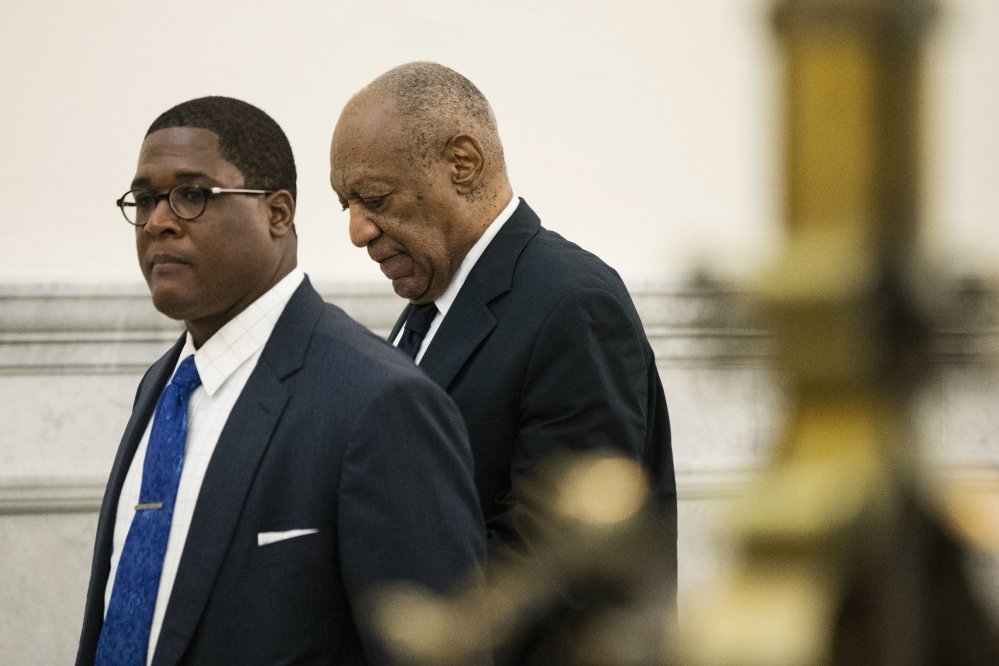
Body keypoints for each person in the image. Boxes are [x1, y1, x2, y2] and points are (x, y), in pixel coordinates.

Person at [77, 96, 487, 665]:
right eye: (144, 201)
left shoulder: (379, 402)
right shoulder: (162, 386)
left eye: (192, 195)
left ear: (278, 213)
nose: (159, 222)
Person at [329, 62, 677, 654]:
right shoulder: (432, 305)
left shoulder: (571, 301)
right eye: (348, 207)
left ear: (463, 164)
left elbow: (563, 563)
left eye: (375, 198)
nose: (358, 231)